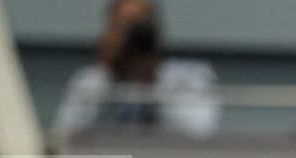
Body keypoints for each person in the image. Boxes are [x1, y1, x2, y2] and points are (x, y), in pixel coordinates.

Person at [55, 0, 220, 139]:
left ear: (156, 31)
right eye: (123, 28)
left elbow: (202, 133)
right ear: (109, 33)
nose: (132, 39)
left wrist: (151, 84)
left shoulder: (190, 77)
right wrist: (108, 76)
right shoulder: (90, 80)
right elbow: (64, 136)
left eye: (138, 28)